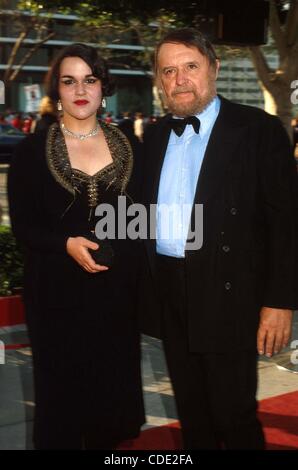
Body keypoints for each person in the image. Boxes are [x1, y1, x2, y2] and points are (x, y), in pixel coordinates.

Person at [140, 28, 298, 450]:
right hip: (172, 293)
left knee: (233, 415)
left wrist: (280, 301)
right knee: (193, 415)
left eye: (190, 67)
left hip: (230, 293)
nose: (180, 80)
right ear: (159, 80)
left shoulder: (258, 130)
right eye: (168, 71)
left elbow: (285, 224)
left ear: (214, 68)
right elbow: (134, 216)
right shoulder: (154, 137)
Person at [8, 43, 145, 450]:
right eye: (69, 81)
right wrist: (64, 243)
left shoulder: (132, 148)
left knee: (110, 403)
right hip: (54, 295)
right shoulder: (31, 151)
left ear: (104, 87)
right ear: (58, 89)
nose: (80, 90)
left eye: (90, 79)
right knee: (60, 401)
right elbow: (23, 227)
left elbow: (141, 220)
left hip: (116, 297)